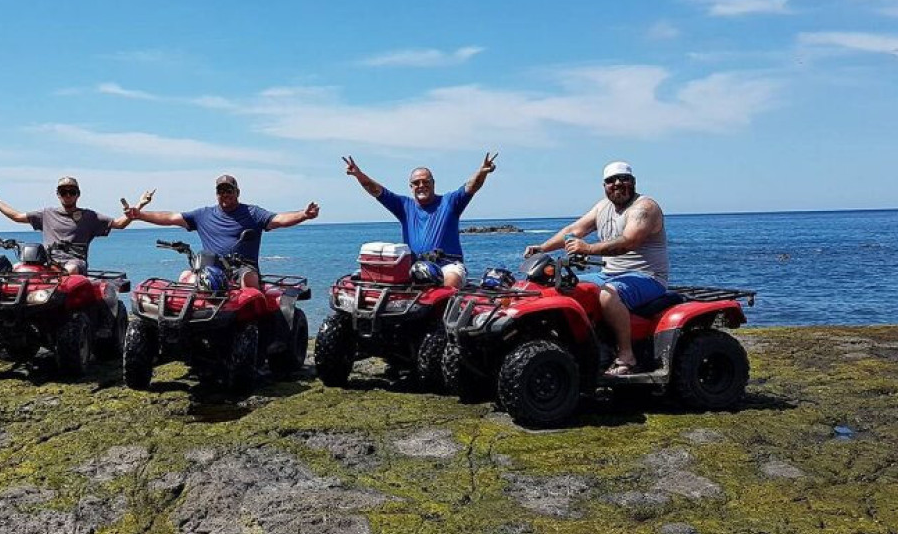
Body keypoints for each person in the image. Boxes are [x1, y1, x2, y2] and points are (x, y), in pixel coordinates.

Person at [523, 161, 669, 375]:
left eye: (623, 179)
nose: (618, 184)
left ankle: (627, 356)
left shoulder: (645, 208)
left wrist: (588, 248)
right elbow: (574, 230)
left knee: (607, 296)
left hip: (648, 277)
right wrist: (542, 248)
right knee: (563, 289)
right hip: (608, 274)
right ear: (604, 185)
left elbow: (628, 242)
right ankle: (579, 348)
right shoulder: (603, 207)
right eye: (611, 181)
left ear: (633, 182)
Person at [123, 174, 319, 288]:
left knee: (248, 280)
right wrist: (140, 215)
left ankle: (255, 328)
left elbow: (278, 220)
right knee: (186, 277)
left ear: (237, 192)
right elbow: (171, 217)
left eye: (229, 190)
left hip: (242, 267)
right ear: (216, 194)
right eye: (221, 191)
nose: (225, 194)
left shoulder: (253, 213)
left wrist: (304, 214)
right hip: (211, 269)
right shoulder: (203, 214)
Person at [342, 153, 498, 288]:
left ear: (433, 183)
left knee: (451, 279)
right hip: (416, 267)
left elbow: (471, 186)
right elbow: (376, 190)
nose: (421, 185)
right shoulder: (404, 206)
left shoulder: (450, 202)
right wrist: (358, 174)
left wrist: (482, 172)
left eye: (425, 181)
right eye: (416, 183)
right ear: (411, 186)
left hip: (448, 266)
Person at [0, 177, 152, 274]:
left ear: (78, 194)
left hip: (74, 263)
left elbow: (119, 224)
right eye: (64, 192)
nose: (67, 195)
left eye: (72, 192)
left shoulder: (89, 216)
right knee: (17, 269)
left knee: (70, 270)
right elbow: (17, 216)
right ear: (58, 194)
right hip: (46, 262)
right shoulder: (46, 214)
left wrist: (138, 207)